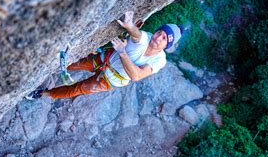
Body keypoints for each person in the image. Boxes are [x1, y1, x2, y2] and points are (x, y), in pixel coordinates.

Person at [25, 11, 183, 100]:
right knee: (70, 63)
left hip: (112, 79)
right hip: (104, 59)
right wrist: (129, 25)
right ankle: (37, 70)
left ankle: (43, 93)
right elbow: (137, 35)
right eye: (159, 32)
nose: (157, 37)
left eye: (164, 38)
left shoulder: (159, 60)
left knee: (78, 89)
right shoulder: (146, 38)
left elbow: (136, 76)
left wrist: (122, 53)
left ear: (167, 45)